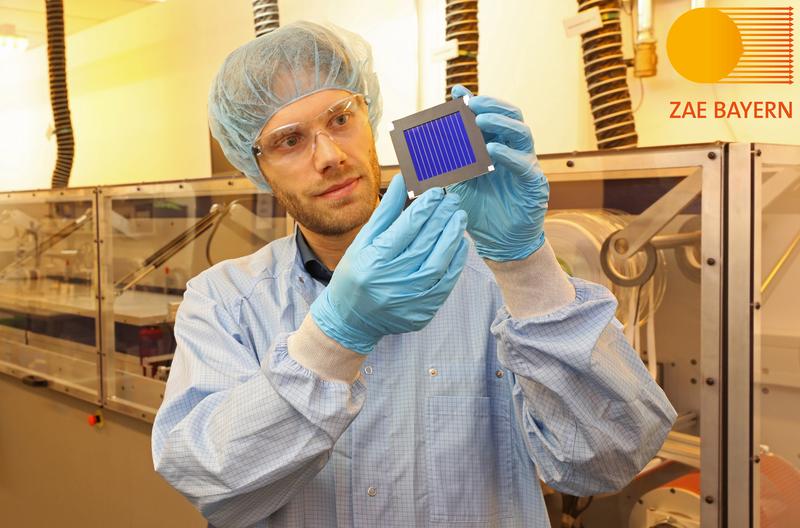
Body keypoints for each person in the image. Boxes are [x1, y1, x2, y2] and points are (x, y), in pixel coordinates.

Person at [152, 21, 676, 528]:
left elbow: (609, 459)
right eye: (290, 141)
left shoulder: (491, 278)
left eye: (340, 119)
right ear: (257, 167)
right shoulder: (225, 300)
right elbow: (208, 481)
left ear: (368, 113)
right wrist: (332, 340)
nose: (331, 157)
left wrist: (523, 261)